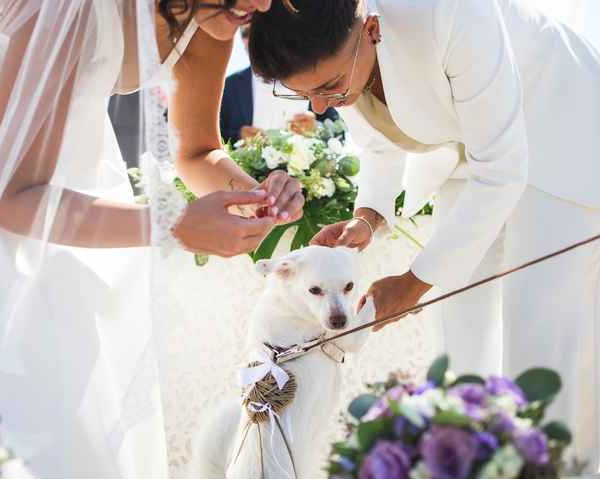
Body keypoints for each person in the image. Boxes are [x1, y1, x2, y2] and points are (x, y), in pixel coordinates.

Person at [0, 0, 307, 477]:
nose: (265, 3)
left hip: (56, 173)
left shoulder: (215, 16)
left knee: (65, 381)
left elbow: (197, 151)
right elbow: (11, 196)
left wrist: (252, 196)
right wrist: (173, 225)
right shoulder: (66, 6)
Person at [249, 0, 600, 468]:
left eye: (329, 87)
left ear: (370, 29)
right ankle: (467, 458)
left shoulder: (453, 13)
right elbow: (378, 137)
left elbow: (501, 171)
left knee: (539, 315)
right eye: (304, 95)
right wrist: (368, 215)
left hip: (561, 129)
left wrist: (412, 284)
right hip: (472, 154)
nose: (320, 105)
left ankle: (555, 464)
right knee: (458, 315)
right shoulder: (340, 59)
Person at [220, 25, 340, 144]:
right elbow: (211, 136)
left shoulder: (311, 79)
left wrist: (317, 129)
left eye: (258, 33)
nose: (253, 39)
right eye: (246, 33)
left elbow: (340, 132)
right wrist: (237, 136)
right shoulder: (229, 86)